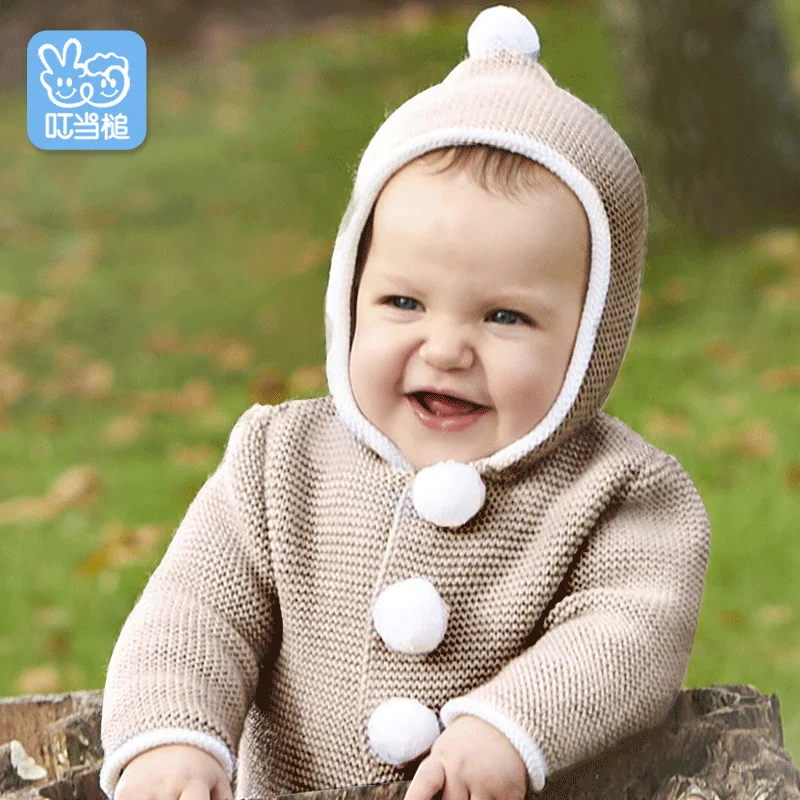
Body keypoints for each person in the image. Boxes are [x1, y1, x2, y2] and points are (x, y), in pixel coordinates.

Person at [99, 6, 711, 800]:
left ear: (590, 337)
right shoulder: (279, 463)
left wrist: (509, 726)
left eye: (505, 317)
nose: (447, 348)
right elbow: (194, 614)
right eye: (403, 302)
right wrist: (174, 740)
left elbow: (629, 636)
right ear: (349, 297)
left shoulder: (620, 493)